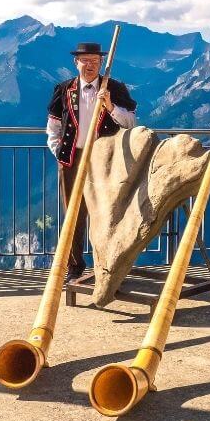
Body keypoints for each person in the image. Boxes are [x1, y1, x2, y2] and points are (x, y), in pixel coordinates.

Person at [46, 42, 138, 282]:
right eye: (85, 60)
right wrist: (59, 151)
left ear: (101, 63)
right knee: (73, 215)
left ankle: (108, 265)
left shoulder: (114, 88)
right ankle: (75, 266)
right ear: (75, 62)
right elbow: (53, 126)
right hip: (72, 158)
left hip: (105, 160)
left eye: (95, 61)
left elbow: (130, 123)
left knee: (107, 212)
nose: (90, 65)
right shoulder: (64, 89)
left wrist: (110, 106)